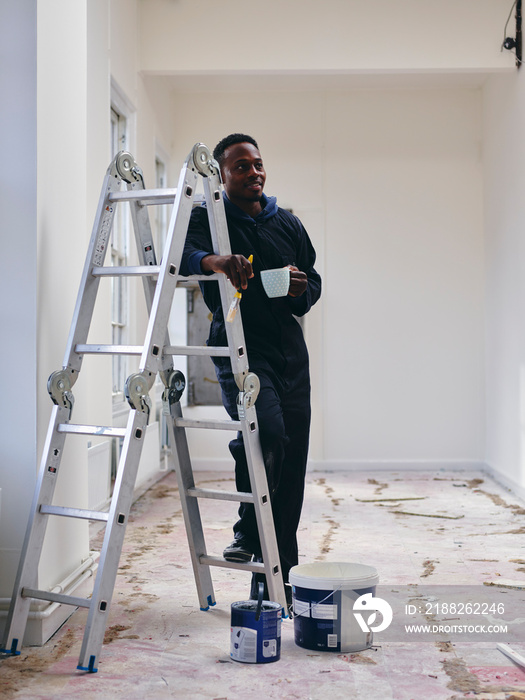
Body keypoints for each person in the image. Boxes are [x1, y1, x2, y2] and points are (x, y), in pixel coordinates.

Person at [180, 134, 321, 603]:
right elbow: (181, 256)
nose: (254, 172)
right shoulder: (209, 217)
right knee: (266, 433)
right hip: (239, 346)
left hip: (289, 355)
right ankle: (247, 530)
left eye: (258, 164)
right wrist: (218, 262)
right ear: (222, 174)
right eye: (241, 166)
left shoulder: (289, 224)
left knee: (291, 465)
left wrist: (301, 288)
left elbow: (314, 282)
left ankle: (276, 581)